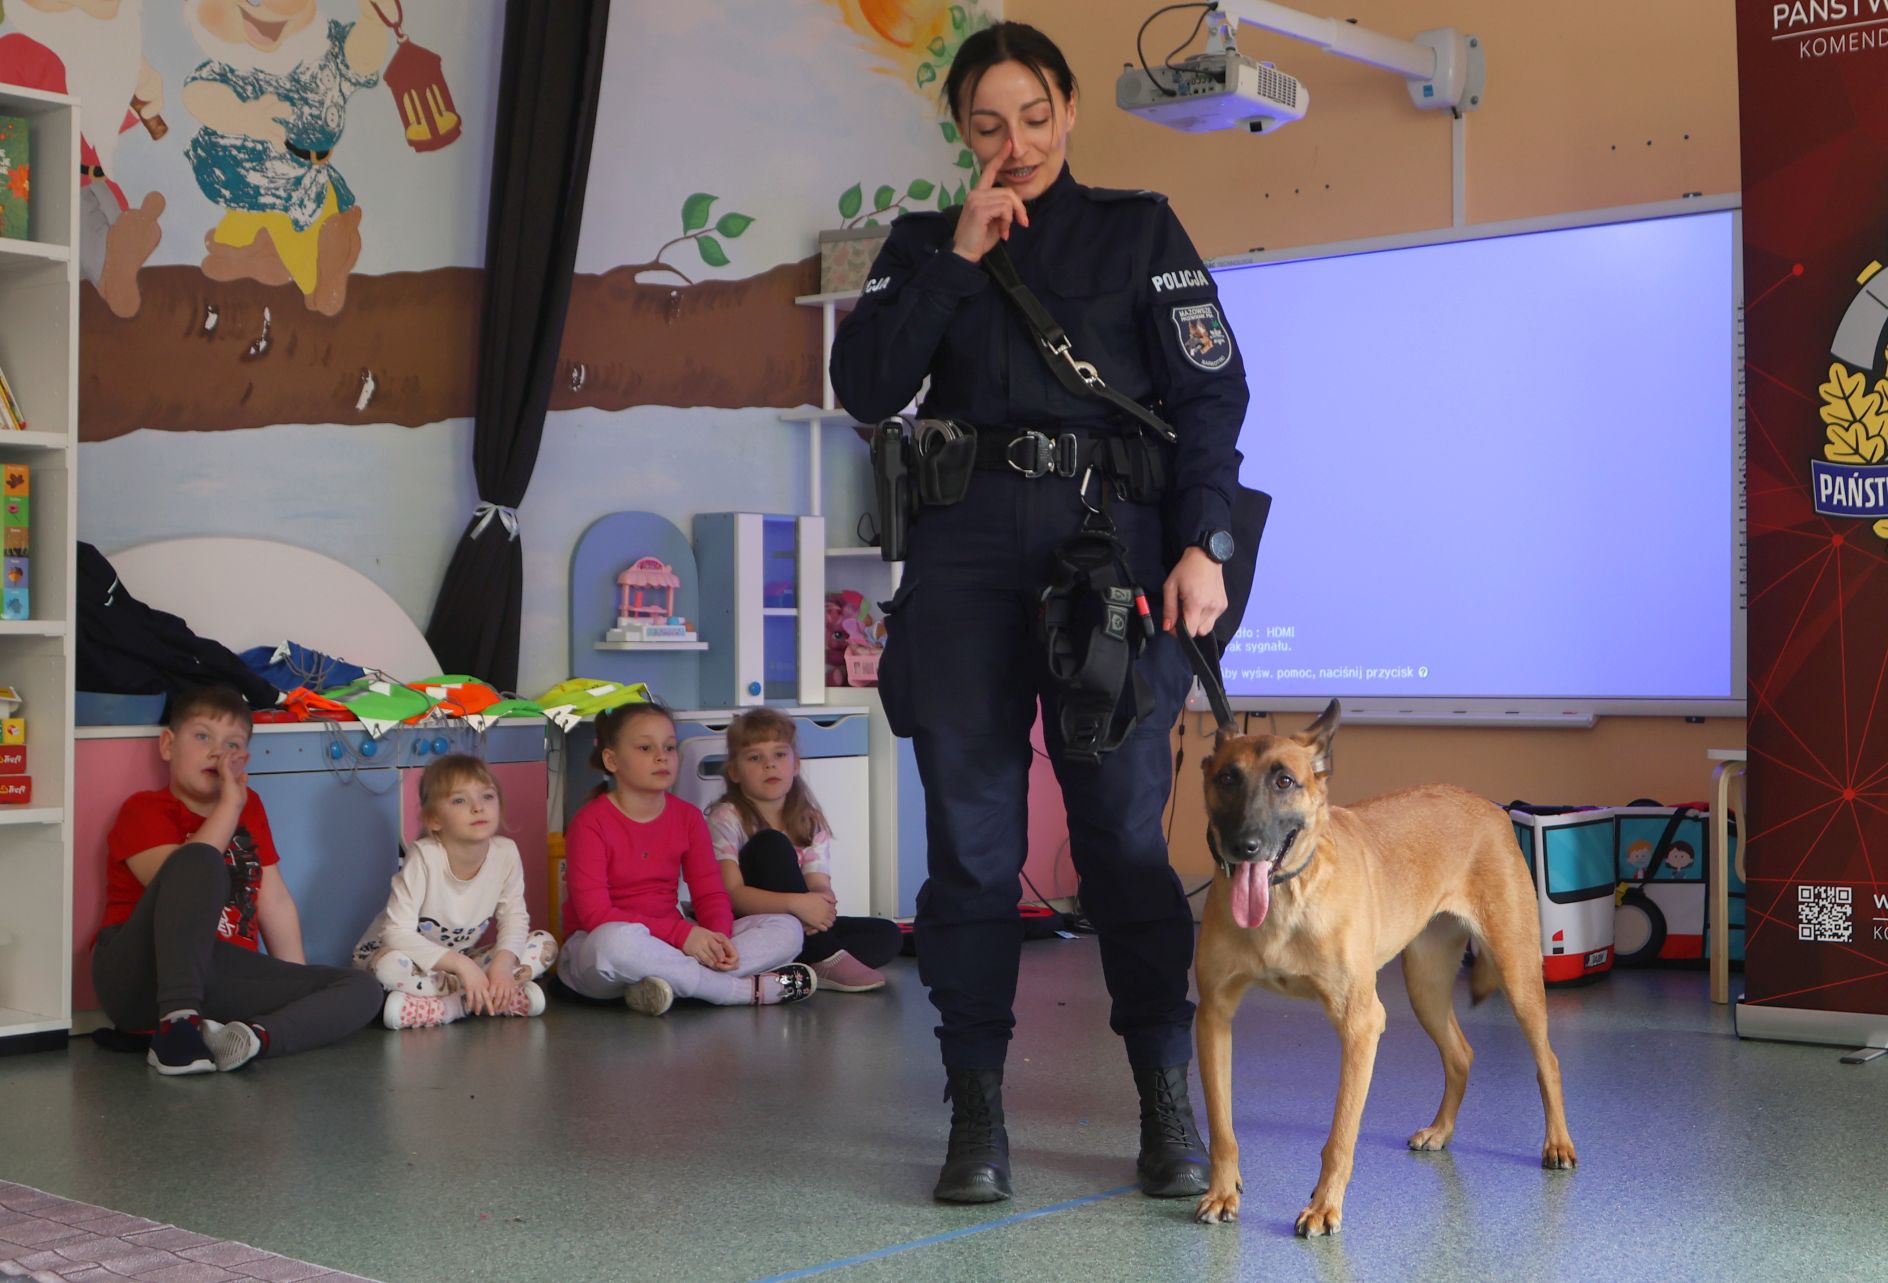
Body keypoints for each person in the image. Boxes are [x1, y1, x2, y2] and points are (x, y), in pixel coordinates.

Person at [830, 21, 1249, 1203]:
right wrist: (958, 259)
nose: (1013, 142)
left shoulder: (1137, 229)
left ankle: (1164, 1095)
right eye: (986, 124)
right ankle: (975, 1112)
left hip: (1111, 551)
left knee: (1121, 834)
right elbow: (866, 386)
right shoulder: (923, 243)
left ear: (1067, 109)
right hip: (963, 555)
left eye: (1031, 116)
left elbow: (1210, 394)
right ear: (959, 132)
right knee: (971, 846)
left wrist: (1204, 542)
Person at [92, 685, 382, 1075]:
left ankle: (251, 1040)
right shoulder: (143, 809)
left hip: (219, 976)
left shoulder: (251, 807)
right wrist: (230, 804)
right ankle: (177, 1028)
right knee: (200, 860)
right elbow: (177, 882)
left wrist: (296, 980)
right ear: (168, 745)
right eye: (202, 737)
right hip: (140, 974)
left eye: (232, 744)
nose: (217, 752)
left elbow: (274, 900)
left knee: (364, 990)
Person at [557, 701, 817, 1015]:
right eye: (645, 748)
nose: (661, 756)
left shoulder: (688, 818)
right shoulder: (589, 822)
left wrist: (718, 940)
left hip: (673, 943)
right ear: (611, 760)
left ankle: (673, 983)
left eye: (669, 747)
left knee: (787, 928)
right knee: (615, 943)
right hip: (601, 951)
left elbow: (710, 893)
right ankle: (737, 991)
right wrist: (684, 936)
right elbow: (596, 915)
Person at [352, 754, 558, 1030]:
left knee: (544, 944)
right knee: (389, 967)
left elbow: (514, 919)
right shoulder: (425, 856)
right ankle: (470, 1002)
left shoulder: (506, 853)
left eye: (487, 796)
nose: (478, 807)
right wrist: (464, 967)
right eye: (460, 800)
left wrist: (502, 966)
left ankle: (456, 1000)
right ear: (434, 819)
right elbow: (396, 933)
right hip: (398, 957)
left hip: (456, 963)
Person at [705, 708, 902, 993]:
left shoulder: (808, 819)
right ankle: (823, 956)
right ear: (734, 772)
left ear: (795, 764)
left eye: (779, 755)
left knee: (888, 934)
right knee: (771, 843)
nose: (770, 765)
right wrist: (797, 905)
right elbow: (732, 895)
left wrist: (821, 903)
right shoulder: (726, 817)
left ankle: (801, 963)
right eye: (755, 758)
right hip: (752, 924)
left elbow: (818, 882)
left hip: (799, 921)